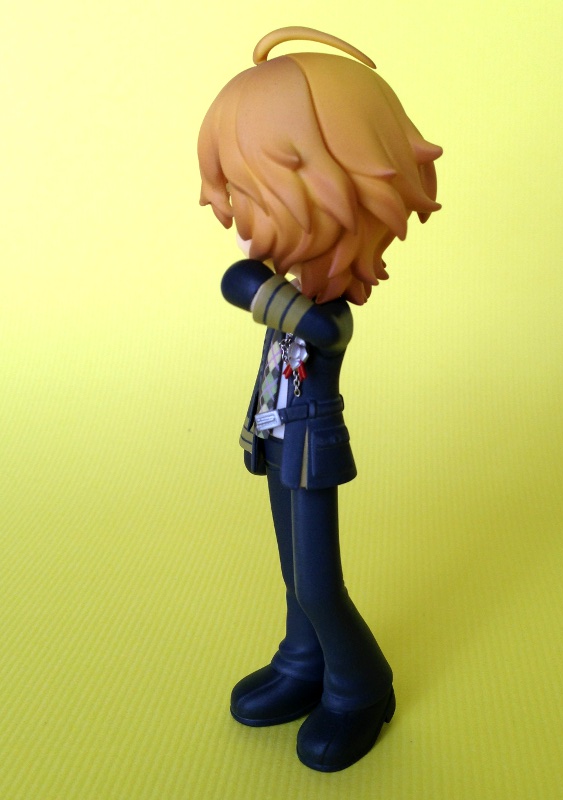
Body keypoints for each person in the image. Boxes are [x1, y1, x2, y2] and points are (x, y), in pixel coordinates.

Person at [197, 26, 442, 772]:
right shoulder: (293, 297)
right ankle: (302, 662)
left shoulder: (325, 315)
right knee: (291, 569)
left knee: (316, 579)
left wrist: (253, 286)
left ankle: (359, 686)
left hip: (309, 448)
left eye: (252, 190)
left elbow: (269, 302)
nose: (238, 215)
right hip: (276, 436)